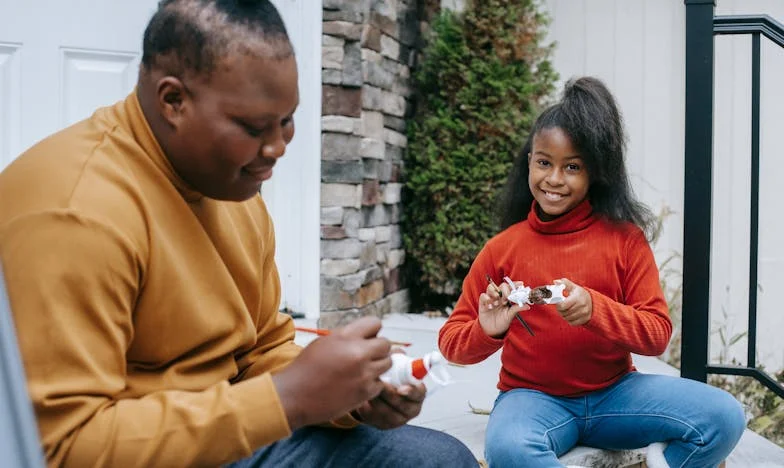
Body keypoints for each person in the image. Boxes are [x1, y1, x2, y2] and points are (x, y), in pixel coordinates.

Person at [0, 1, 477, 467]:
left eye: (286, 120)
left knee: (441, 457)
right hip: (141, 449)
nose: (276, 148)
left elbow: (260, 348)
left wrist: (348, 397)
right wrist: (286, 400)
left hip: (225, 424)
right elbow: (62, 447)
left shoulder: (230, 182)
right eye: (252, 127)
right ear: (173, 101)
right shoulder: (76, 213)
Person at [438, 77, 746, 468]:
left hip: (617, 395)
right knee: (509, 450)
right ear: (528, 162)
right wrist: (489, 329)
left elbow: (657, 335)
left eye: (572, 167)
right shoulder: (502, 248)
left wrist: (595, 310)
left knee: (724, 416)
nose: (554, 179)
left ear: (594, 173)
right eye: (544, 162)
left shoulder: (624, 240)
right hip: (531, 399)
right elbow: (451, 344)